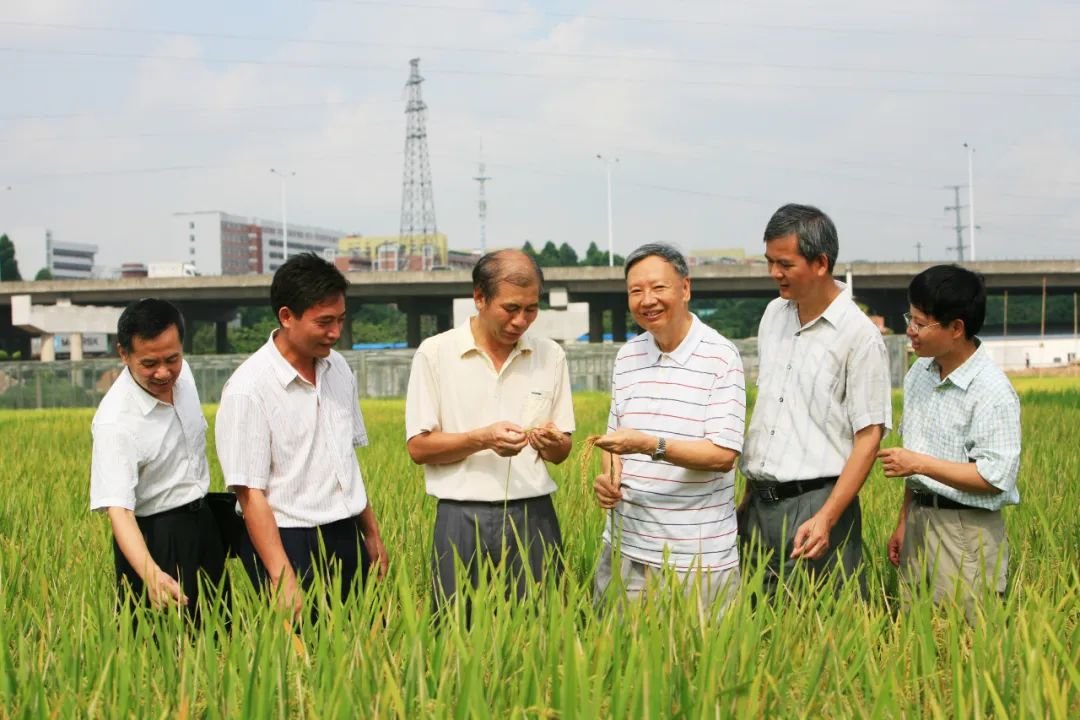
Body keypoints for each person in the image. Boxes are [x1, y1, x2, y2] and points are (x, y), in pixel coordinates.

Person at [216, 253, 388, 621]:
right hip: (286, 538)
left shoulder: (338, 369)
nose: (336, 332)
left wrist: (370, 534)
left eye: (340, 320)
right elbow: (250, 494)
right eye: (324, 322)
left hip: (343, 531)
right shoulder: (249, 389)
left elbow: (345, 462)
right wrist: (281, 575)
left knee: (362, 647)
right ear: (286, 316)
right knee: (301, 662)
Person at [405, 249, 574, 611]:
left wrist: (552, 443)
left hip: (533, 514)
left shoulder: (550, 356)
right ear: (479, 298)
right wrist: (481, 439)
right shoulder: (435, 354)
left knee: (543, 627)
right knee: (453, 632)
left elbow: (562, 453)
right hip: (459, 516)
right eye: (511, 309)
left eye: (531, 309)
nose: (521, 320)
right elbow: (418, 448)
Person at [739, 203, 892, 595]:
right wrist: (747, 499)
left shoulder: (859, 336)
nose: (775, 273)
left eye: (785, 264)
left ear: (821, 263)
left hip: (817, 504)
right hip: (759, 505)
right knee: (754, 635)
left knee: (820, 636)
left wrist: (827, 517)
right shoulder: (773, 315)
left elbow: (869, 437)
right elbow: (770, 415)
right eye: (769, 262)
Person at [592, 243, 746, 611]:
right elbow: (615, 444)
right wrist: (609, 480)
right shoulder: (627, 356)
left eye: (658, 288)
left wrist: (649, 445)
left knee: (702, 664)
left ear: (685, 289)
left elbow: (723, 455)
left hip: (696, 558)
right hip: (625, 547)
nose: (647, 300)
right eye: (636, 291)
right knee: (617, 661)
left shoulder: (720, 357)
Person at [880, 265, 1021, 620]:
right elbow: (916, 455)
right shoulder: (919, 373)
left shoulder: (991, 391)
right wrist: (904, 521)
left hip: (966, 530)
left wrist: (918, 464)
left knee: (966, 643)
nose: (909, 331)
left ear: (956, 328)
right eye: (908, 318)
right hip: (919, 520)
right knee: (916, 634)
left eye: (919, 323)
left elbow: (995, 478)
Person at [90, 298, 227, 623]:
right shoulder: (115, 421)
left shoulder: (184, 375)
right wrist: (150, 573)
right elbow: (119, 511)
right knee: (162, 649)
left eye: (172, 358)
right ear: (124, 354)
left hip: (204, 524)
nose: (164, 372)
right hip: (154, 538)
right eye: (149, 363)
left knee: (220, 633)